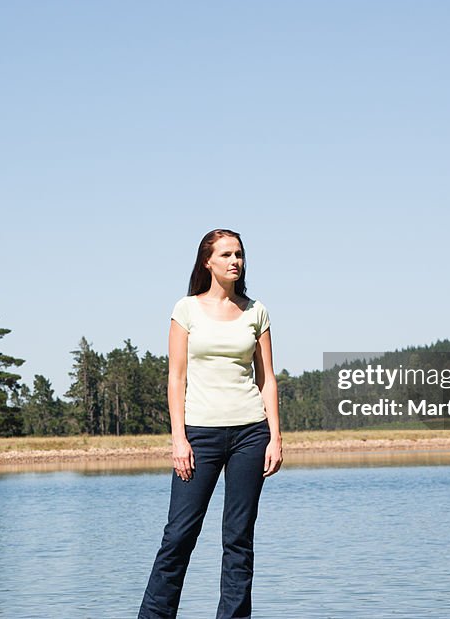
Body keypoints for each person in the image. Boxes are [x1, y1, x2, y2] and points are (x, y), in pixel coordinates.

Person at [138, 229, 283, 619]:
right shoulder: (185, 310)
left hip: (251, 433)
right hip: (198, 435)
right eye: (226, 255)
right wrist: (178, 440)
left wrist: (276, 438)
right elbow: (176, 379)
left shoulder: (257, 312)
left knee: (239, 539)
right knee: (178, 536)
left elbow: (267, 378)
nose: (235, 261)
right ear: (208, 262)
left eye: (239, 254)